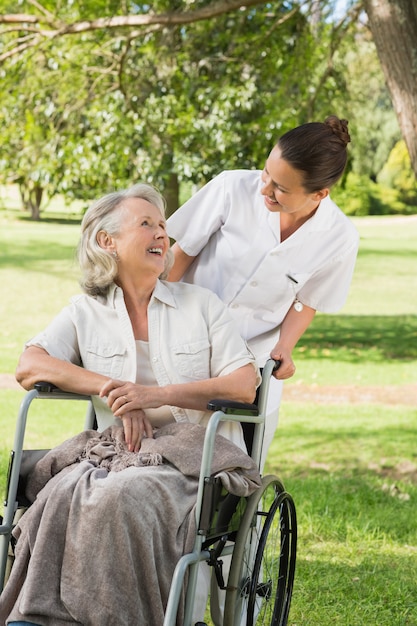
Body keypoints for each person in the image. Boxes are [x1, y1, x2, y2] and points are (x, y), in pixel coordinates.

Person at [0, 183, 261, 626]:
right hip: (117, 452)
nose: (163, 234)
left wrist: (154, 395)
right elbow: (30, 364)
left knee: (120, 496)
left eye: (163, 225)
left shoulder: (201, 306)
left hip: (190, 460)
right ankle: (37, 616)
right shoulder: (86, 311)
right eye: (147, 224)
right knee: (63, 492)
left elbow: (244, 384)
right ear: (108, 241)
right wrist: (115, 390)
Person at [167, 115, 360, 467]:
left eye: (281, 188)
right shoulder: (230, 188)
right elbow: (182, 253)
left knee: (236, 458)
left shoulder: (340, 237)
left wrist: (284, 347)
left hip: (251, 359)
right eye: (266, 174)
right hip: (183, 338)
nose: (265, 189)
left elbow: (307, 300)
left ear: (319, 194)